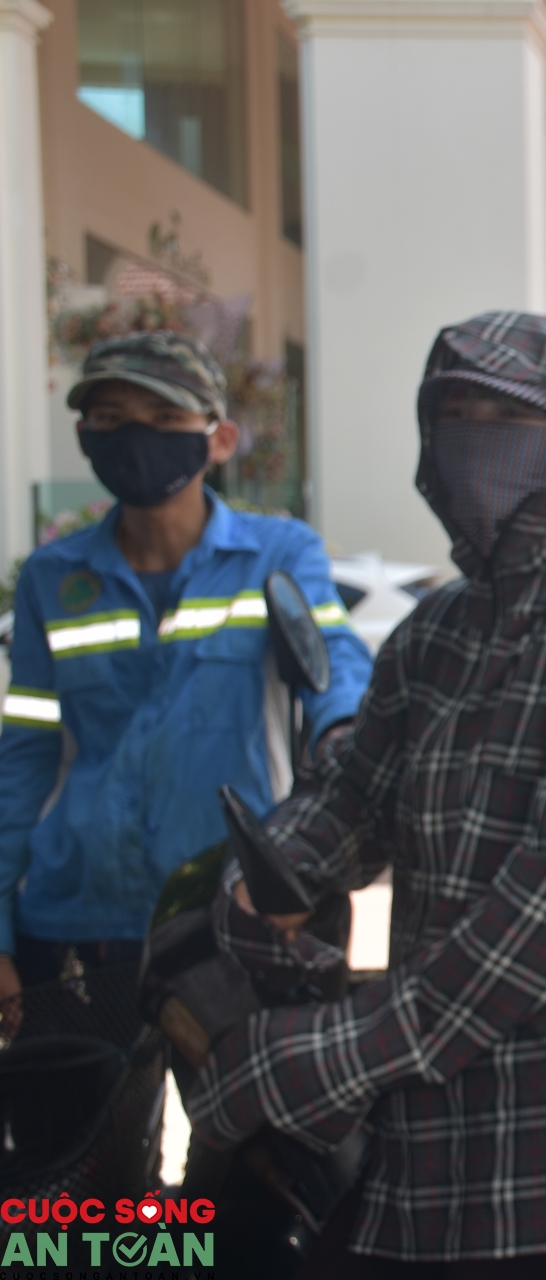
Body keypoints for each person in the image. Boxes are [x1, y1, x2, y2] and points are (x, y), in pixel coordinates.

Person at [185, 313, 546, 1278]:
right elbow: (349, 797)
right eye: (454, 413)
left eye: (507, 418)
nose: (475, 439)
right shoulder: (438, 630)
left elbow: (525, 942)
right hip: (425, 1150)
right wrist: (268, 879)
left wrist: (300, 1060)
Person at [0, 331, 371, 1030]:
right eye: (110, 418)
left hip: (235, 912)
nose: (135, 436)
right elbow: (22, 757)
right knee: (79, 1137)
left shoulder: (278, 555)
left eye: (164, 417)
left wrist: (344, 735)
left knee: (249, 1134)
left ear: (220, 438)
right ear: (83, 436)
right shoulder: (53, 580)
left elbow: (335, 667)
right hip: (80, 918)